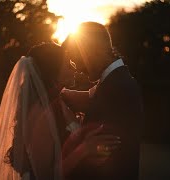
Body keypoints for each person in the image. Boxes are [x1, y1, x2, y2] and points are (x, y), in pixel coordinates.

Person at [0, 43, 120, 180]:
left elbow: (96, 94)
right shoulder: (40, 114)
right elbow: (45, 175)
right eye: (68, 63)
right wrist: (84, 149)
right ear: (53, 72)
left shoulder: (61, 101)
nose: (74, 67)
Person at [61, 22, 144, 180]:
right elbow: (85, 98)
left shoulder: (118, 87)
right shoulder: (113, 82)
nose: (77, 68)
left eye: (76, 58)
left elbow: (102, 160)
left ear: (92, 51)